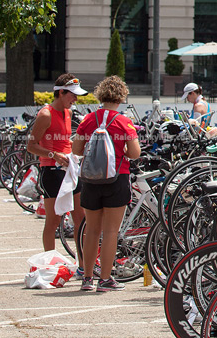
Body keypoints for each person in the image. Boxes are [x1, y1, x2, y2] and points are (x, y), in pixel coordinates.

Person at [73, 75, 141, 291]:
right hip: (116, 178)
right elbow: (134, 153)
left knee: (91, 229)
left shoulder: (88, 120)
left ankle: (86, 277)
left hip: (91, 179)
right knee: (111, 231)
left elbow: (76, 150)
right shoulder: (123, 121)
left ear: (100, 95)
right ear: (121, 97)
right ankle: (105, 279)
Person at [26, 73, 87, 277]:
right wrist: (53, 154)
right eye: (72, 95)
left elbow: (64, 140)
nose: (75, 99)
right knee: (53, 221)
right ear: (61, 93)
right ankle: (49, 266)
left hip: (69, 169)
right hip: (51, 171)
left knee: (80, 218)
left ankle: (82, 265)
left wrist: (75, 152)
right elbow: (31, 146)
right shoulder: (45, 114)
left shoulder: (68, 113)